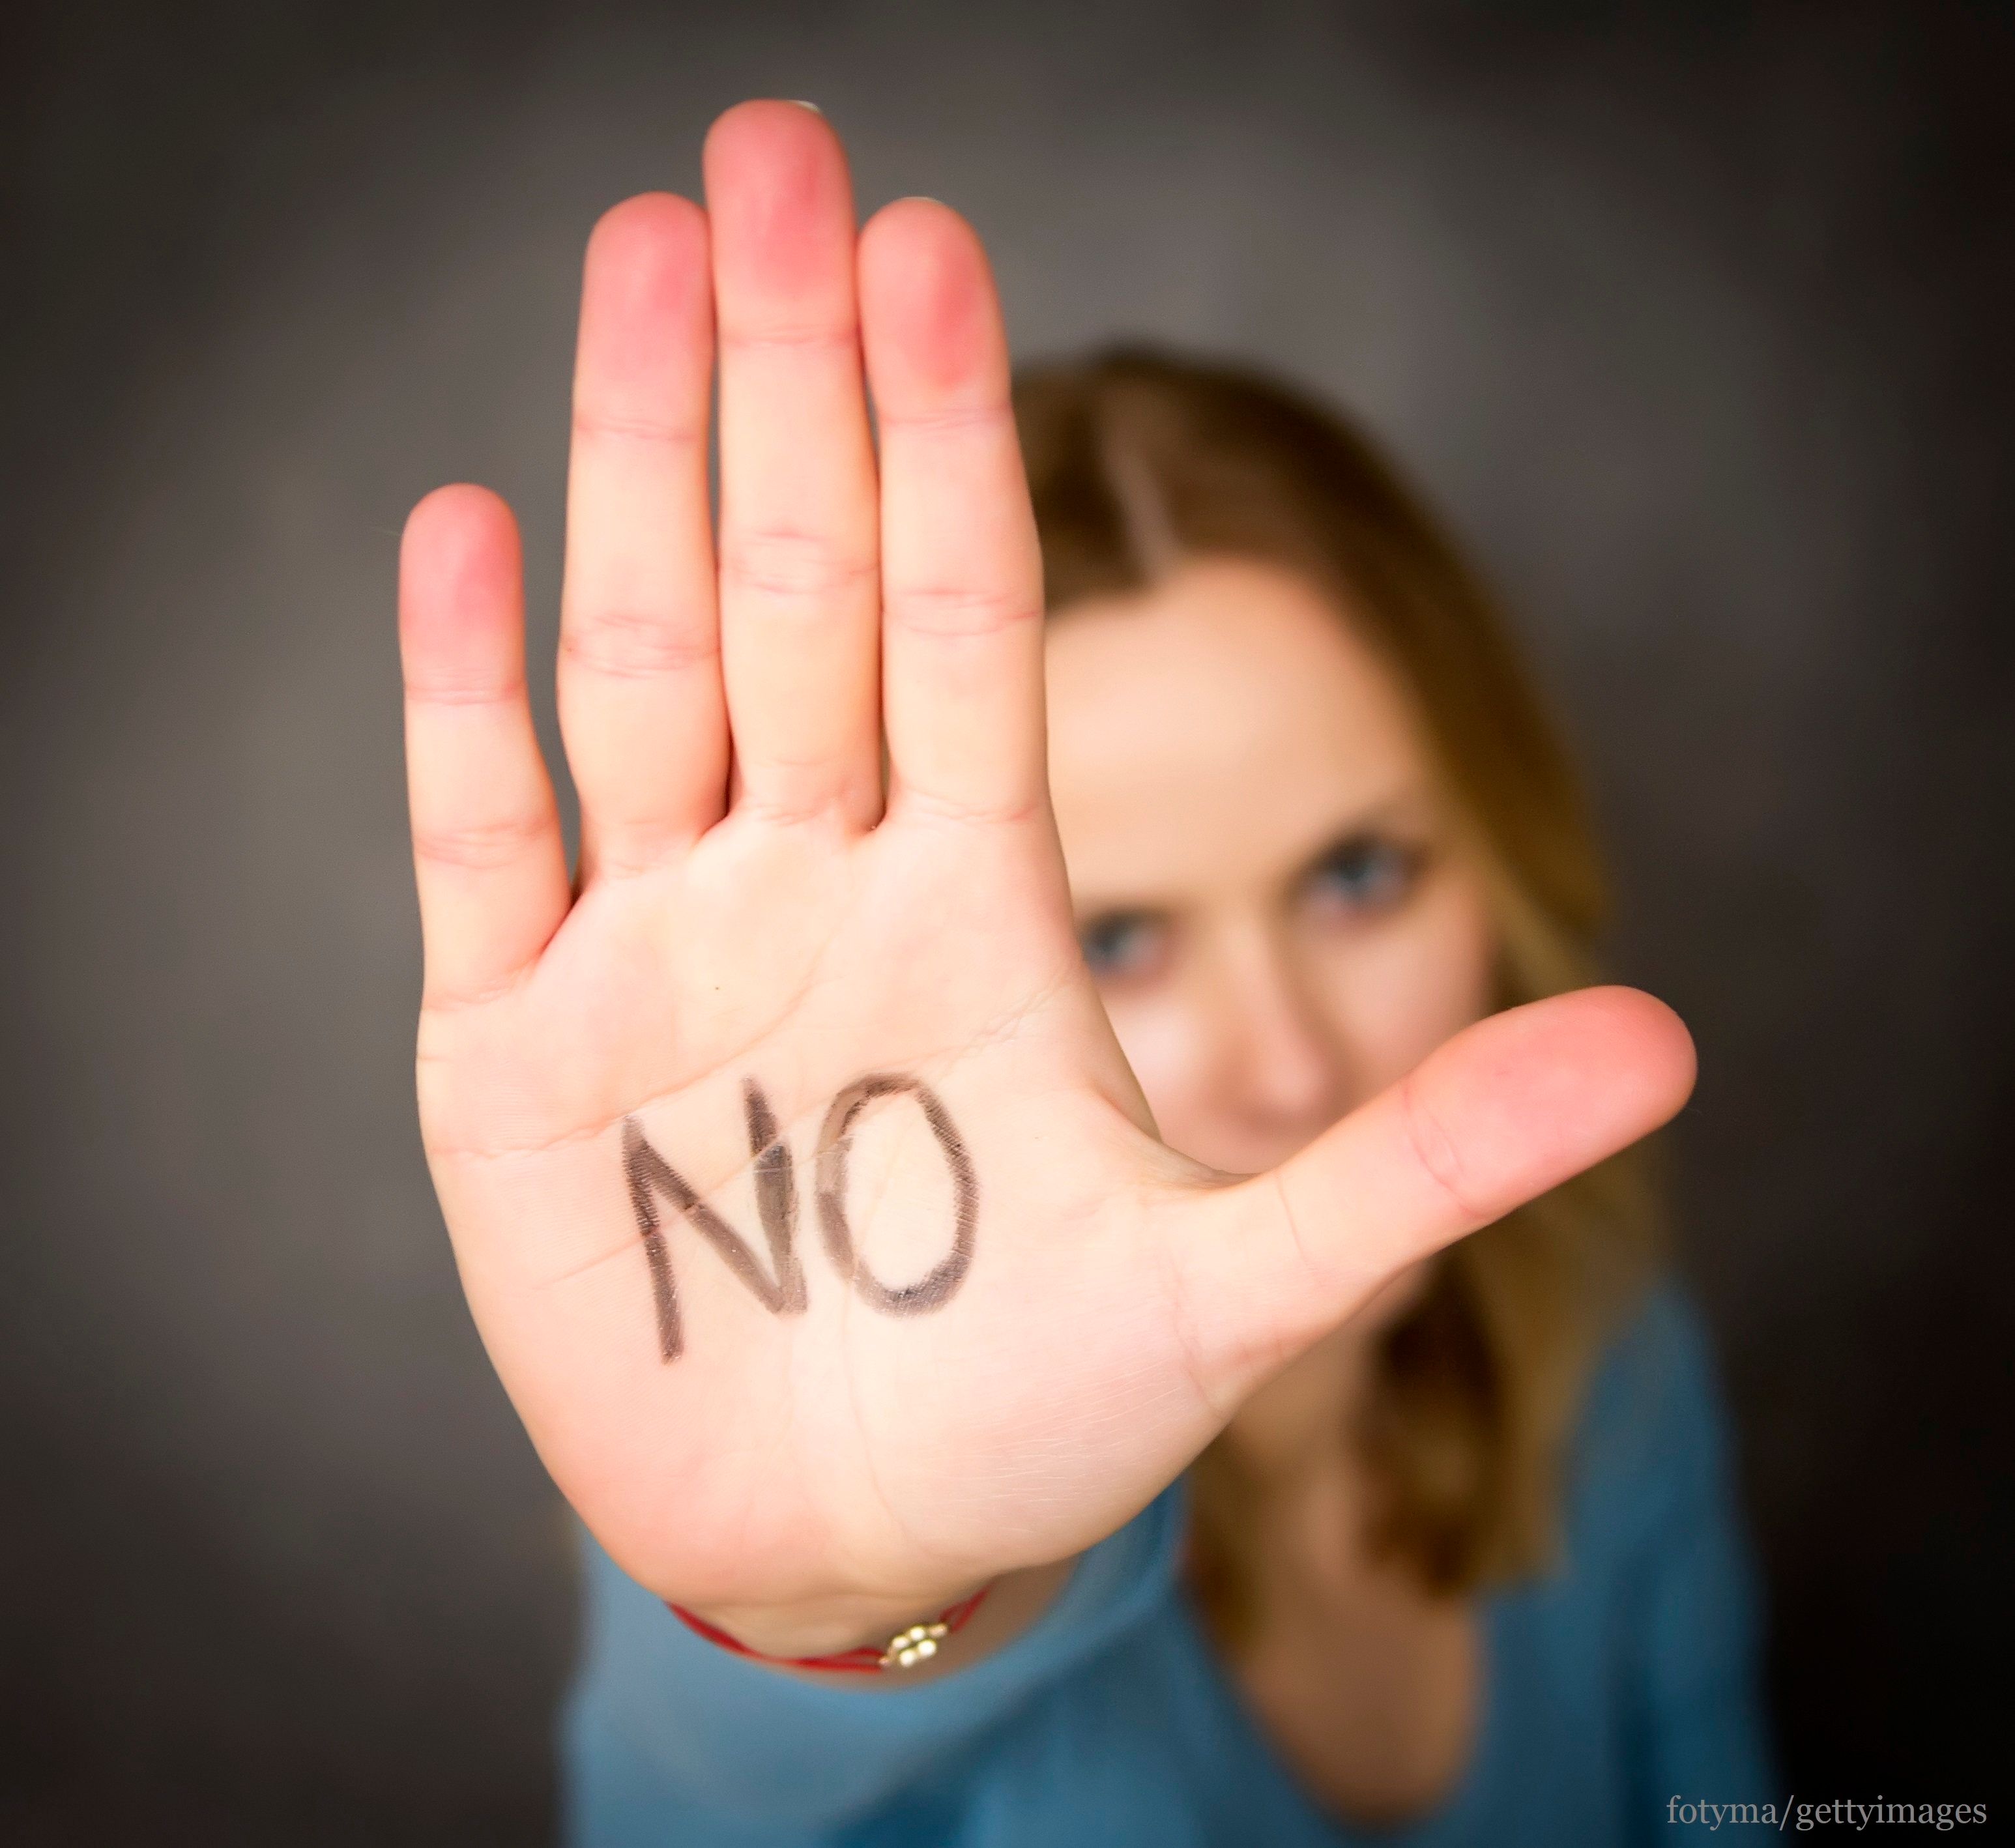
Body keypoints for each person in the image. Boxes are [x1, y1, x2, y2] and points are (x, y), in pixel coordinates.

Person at [394, 100, 1776, 1845]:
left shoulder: (1604, 1359)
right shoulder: (858, 1490)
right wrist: (851, 1622)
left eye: (1358, 876)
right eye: (1116, 937)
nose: (1286, 1064)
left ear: (1503, 850)